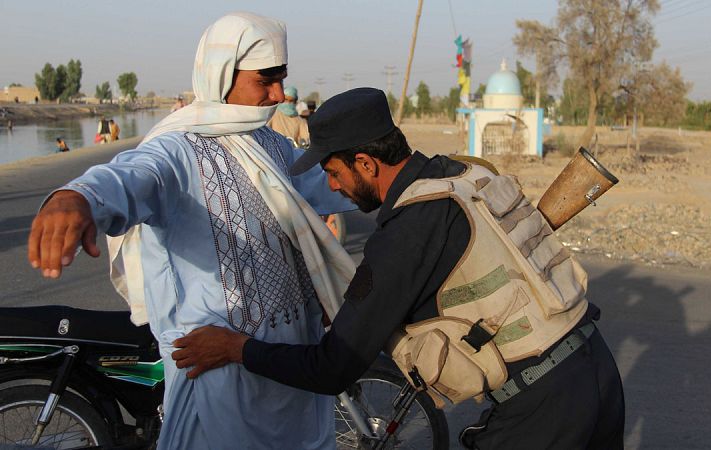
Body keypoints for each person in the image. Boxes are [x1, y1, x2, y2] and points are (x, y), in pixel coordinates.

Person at [172, 88, 626, 449]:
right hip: (595, 368)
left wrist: (237, 349)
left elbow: (333, 368)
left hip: (543, 409)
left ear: (366, 163)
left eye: (334, 172)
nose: (332, 187)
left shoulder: (406, 231)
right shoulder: (462, 175)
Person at [27, 12, 356, 449]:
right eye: (266, 80)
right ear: (223, 76)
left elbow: (325, 184)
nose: (278, 94)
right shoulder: (177, 149)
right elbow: (132, 176)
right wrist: (78, 196)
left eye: (282, 79)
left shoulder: (272, 144)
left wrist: (398, 177)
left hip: (290, 366)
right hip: (217, 374)